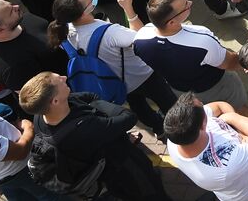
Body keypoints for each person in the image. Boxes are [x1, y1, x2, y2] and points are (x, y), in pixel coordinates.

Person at [17, 71, 172, 201]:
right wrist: (105, 112)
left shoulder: (42, 115)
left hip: (106, 166)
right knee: (149, 192)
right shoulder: (83, 130)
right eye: (60, 81)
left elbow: (90, 96)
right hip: (122, 167)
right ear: (55, 101)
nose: (64, 78)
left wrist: (107, 120)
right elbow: (128, 117)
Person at [47, 0, 178, 134]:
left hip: (116, 81)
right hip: (143, 75)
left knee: (138, 106)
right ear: (84, 12)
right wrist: (128, 7)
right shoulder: (111, 33)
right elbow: (144, 39)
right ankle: (182, 125)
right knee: (169, 102)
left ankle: (158, 127)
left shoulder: (64, 32)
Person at [133, 0, 248, 112]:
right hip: (217, 88)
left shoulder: (139, 40)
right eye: (185, 6)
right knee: (239, 109)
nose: (190, 2)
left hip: (183, 93)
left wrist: (128, 10)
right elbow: (230, 63)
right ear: (172, 22)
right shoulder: (201, 39)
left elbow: (137, 31)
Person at [162, 92, 248, 201]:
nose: (206, 107)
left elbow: (220, 106)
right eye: (203, 108)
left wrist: (240, 132)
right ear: (203, 126)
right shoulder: (226, 164)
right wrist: (231, 118)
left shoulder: (176, 137)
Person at [0, 0, 66, 95]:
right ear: (0, 30)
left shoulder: (18, 19)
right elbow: (39, 96)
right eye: (11, 11)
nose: (17, 7)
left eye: (11, 5)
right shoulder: (10, 69)